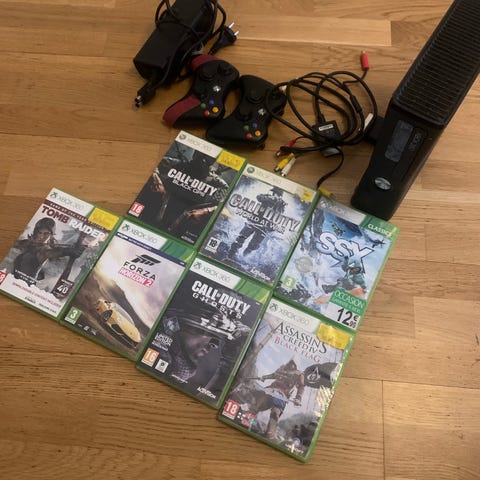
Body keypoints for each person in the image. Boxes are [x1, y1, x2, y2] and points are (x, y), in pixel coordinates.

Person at [12, 217, 84, 287]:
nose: (41, 237)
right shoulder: (28, 243)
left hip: (25, 287)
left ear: (51, 235)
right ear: (36, 232)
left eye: (46, 234)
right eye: (39, 232)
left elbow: (53, 252)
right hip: (13, 282)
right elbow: (15, 243)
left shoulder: (44, 250)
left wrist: (68, 251)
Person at [253, 359, 305, 440]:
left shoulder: (298, 374)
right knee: (258, 403)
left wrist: (298, 398)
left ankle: (270, 433)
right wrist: (263, 377)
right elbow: (274, 375)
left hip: (282, 394)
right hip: (271, 389)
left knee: (275, 412)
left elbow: (301, 387)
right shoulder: (282, 368)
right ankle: (248, 419)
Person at [229, 186, 287, 258]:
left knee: (253, 245)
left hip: (264, 227)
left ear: (279, 195)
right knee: (240, 238)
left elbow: (280, 214)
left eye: (276, 193)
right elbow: (259, 197)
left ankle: (244, 257)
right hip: (254, 221)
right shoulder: (267, 196)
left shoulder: (281, 204)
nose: (274, 194)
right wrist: (269, 198)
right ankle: (231, 254)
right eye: (274, 193)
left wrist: (278, 203)